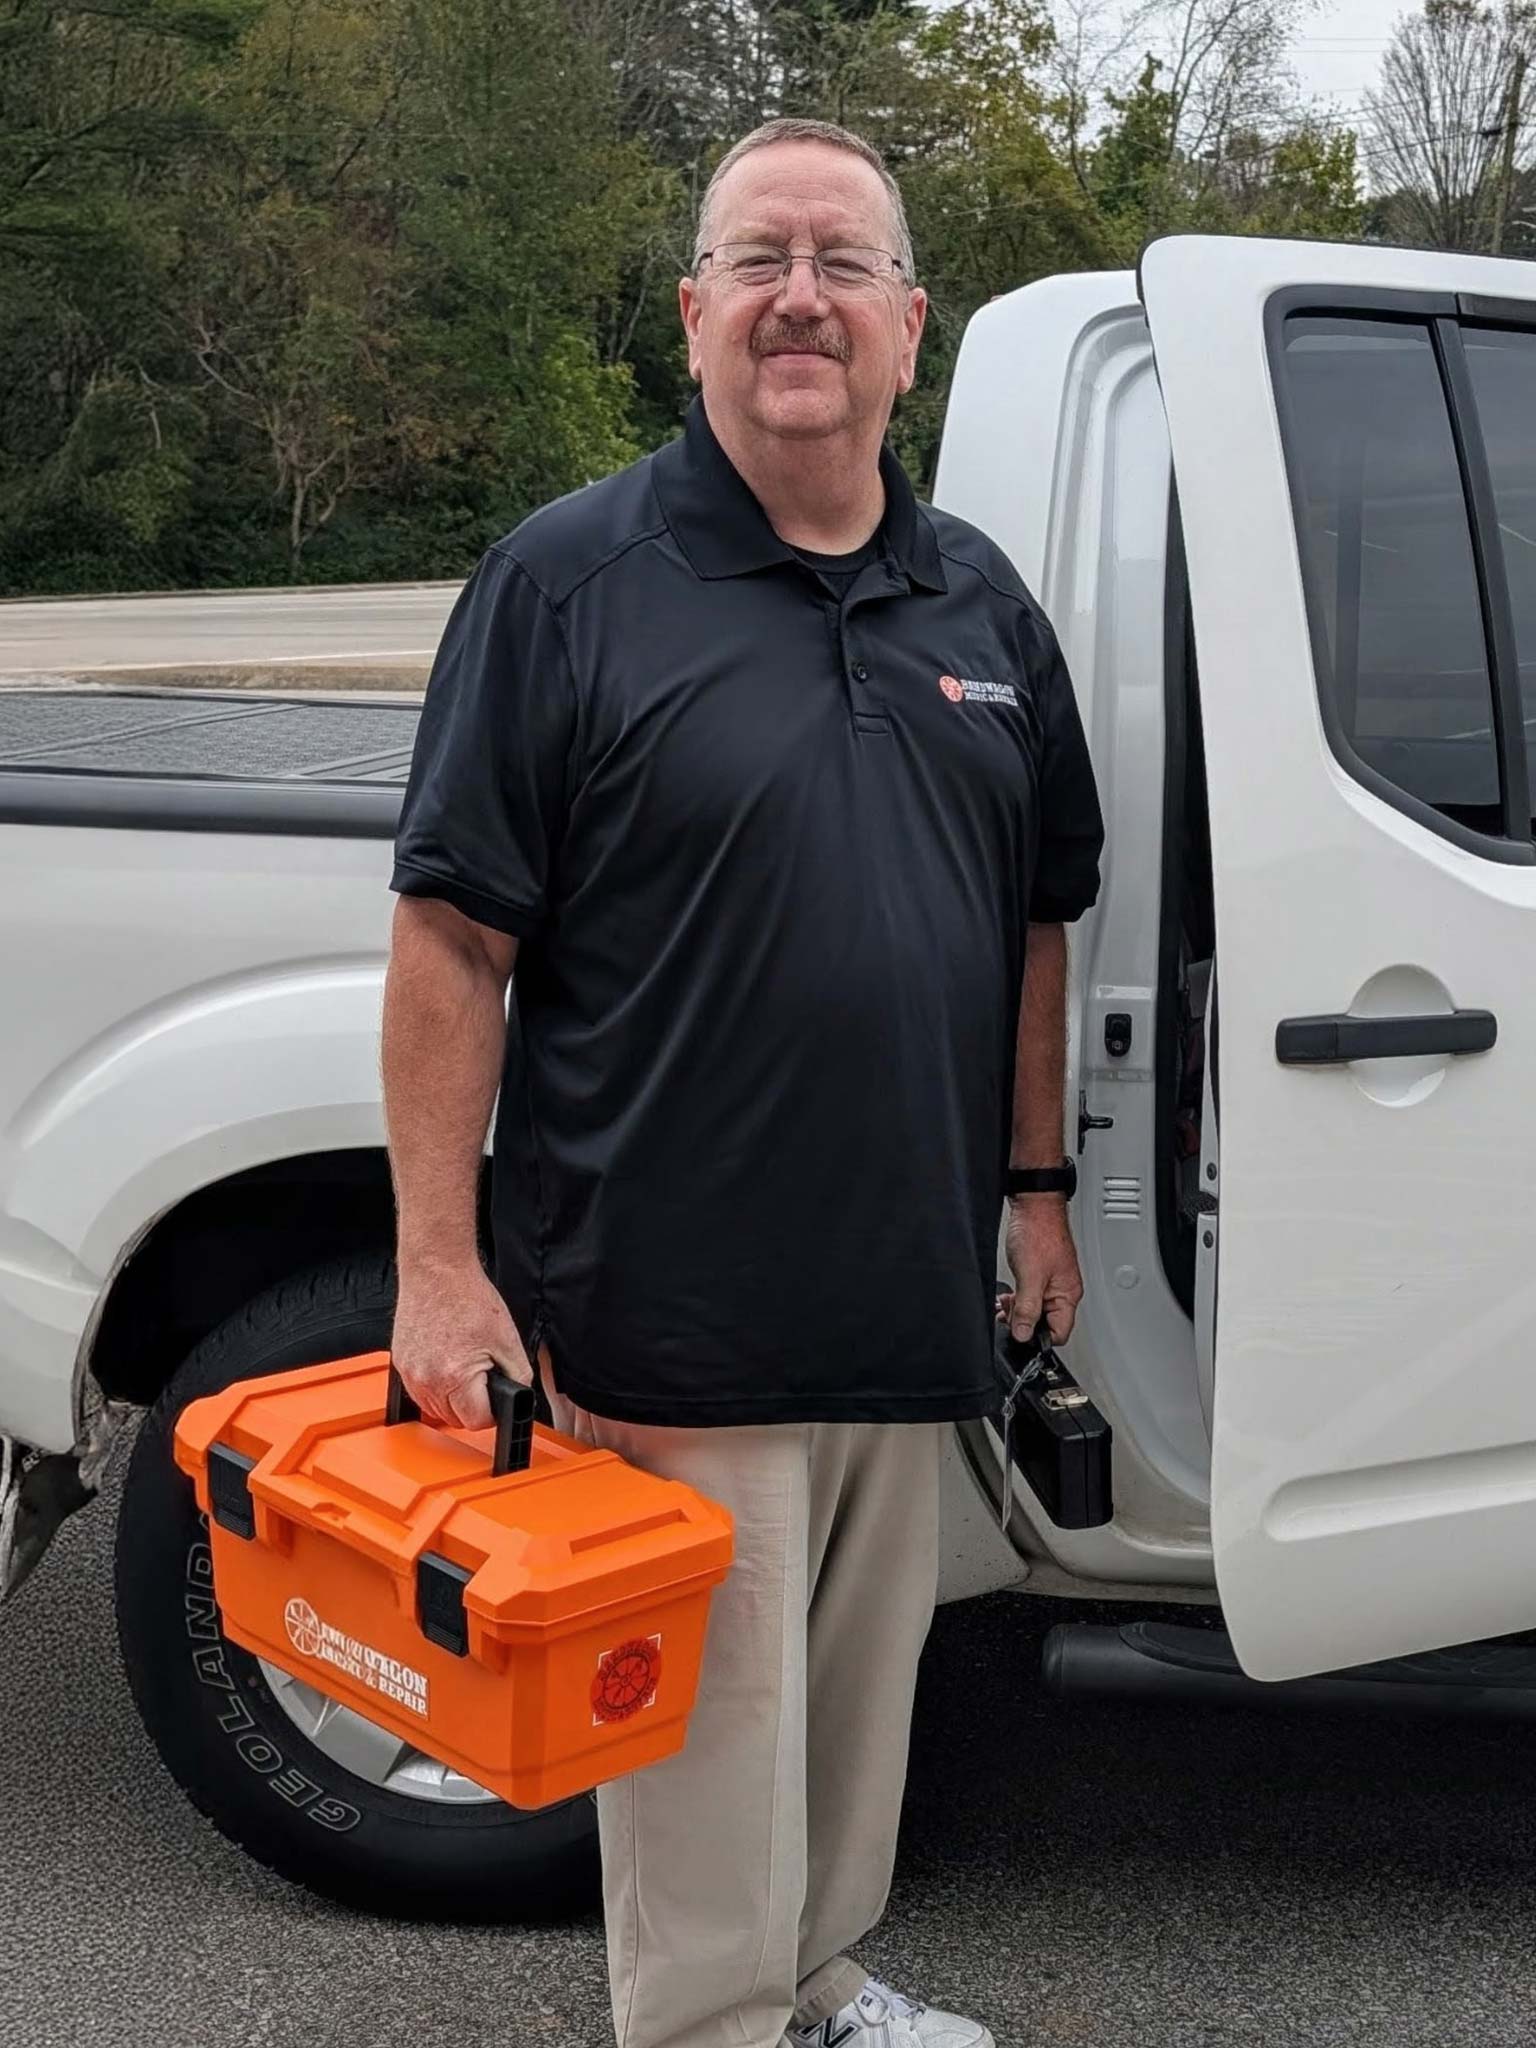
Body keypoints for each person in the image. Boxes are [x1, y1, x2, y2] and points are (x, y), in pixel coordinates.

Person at [381, 115, 1104, 2048]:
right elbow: (452, 940)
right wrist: (440, 1272)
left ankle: (822, 1987)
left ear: (908, 325)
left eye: (843, 262)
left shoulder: (984, 610)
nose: (802, 297)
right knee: (701, 1749)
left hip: (909, 1293)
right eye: (760, 260)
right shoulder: (569, 583)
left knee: (860, 1714)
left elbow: (1041, 914)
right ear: (695, 312)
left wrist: (1035, 1193)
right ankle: (705, 2026)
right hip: (664, 1313)